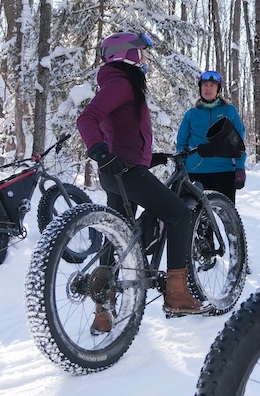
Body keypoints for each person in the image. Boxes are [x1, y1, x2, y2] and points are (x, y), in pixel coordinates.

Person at [77, 32, 210, 332]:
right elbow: (88, 118)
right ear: (127, 55)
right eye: (141, 53)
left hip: (119, 173)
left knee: (119, 236)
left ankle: (103, 307)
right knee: (179, 214)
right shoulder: (122, 84)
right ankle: (176, 294)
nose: (145, 60)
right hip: (125, 175)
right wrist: (98, 151)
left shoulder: (119, 85)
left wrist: (150, 157)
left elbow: (122, 136)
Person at [175, 70, 247, 204]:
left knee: (223, 216)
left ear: (218, 89)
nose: (208, 88)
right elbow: (181, 143)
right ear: (200, 88)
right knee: (194, 216)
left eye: (212, 85)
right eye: (205, 85)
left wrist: (240, 166)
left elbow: (239, 141)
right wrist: (180, 168)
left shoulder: (229, 111)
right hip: (195, 171)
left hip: (224, 171)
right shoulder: (191, 114)